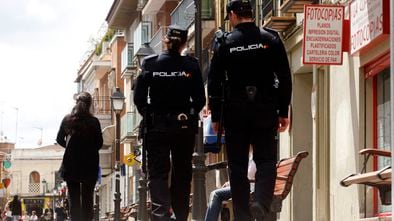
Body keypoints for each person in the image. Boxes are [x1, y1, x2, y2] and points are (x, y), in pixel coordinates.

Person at [207, 0, 292, 220]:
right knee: (265, 160)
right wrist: (283, 111)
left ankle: (243, 215)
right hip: (265, 108)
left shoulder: (224, 43)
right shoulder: (270, 38)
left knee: (237, 165)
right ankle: (262, 203)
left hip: (235, 112)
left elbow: (214, 82)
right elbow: (284, 78)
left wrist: (216, 117)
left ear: (233, 15)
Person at [133, 24, 206, 221]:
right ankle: (181, 215)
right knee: (182, 172)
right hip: (183, 128)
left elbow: (139, 98)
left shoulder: (150, 64)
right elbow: (200, 99)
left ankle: (161, 215)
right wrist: (188, 113)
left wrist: (149, 114)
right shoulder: (191, 65)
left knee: (158, 173)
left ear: (165, 40)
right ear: (184, 43)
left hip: (156, 127)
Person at [56, 92, 103, 221]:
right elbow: (99, 143)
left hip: (71, 164)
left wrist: (72, 148)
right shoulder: (94, 122)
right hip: (90, 164)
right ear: (89, 105)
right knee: (88, 198)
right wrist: (88, 148)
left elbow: (59, 139)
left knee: (74, 199)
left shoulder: (67, 120)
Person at [205, 150, 256, 221]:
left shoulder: (255, 158)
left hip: (247, 187)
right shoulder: (249, 155)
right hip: (241, 186)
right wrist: (229, 182)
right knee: (214, 194)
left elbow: (247, 176)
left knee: (215, 194)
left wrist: (230, 183)